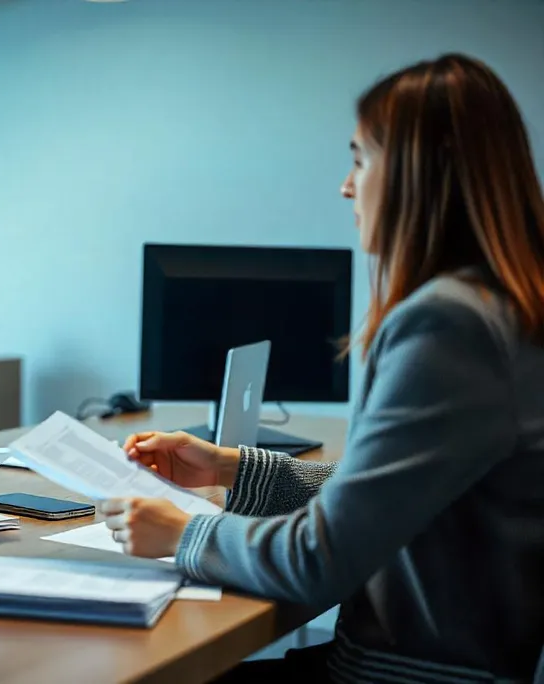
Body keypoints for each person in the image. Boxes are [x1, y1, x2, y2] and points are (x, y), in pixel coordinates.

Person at [101, 54, 544, 682]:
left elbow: (320, 558)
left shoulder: (451, 324)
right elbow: (391, 488)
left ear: (425, 171)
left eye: (361, 158)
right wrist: (230, 467)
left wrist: (184, 532)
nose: (345, 185)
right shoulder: (510, 306)